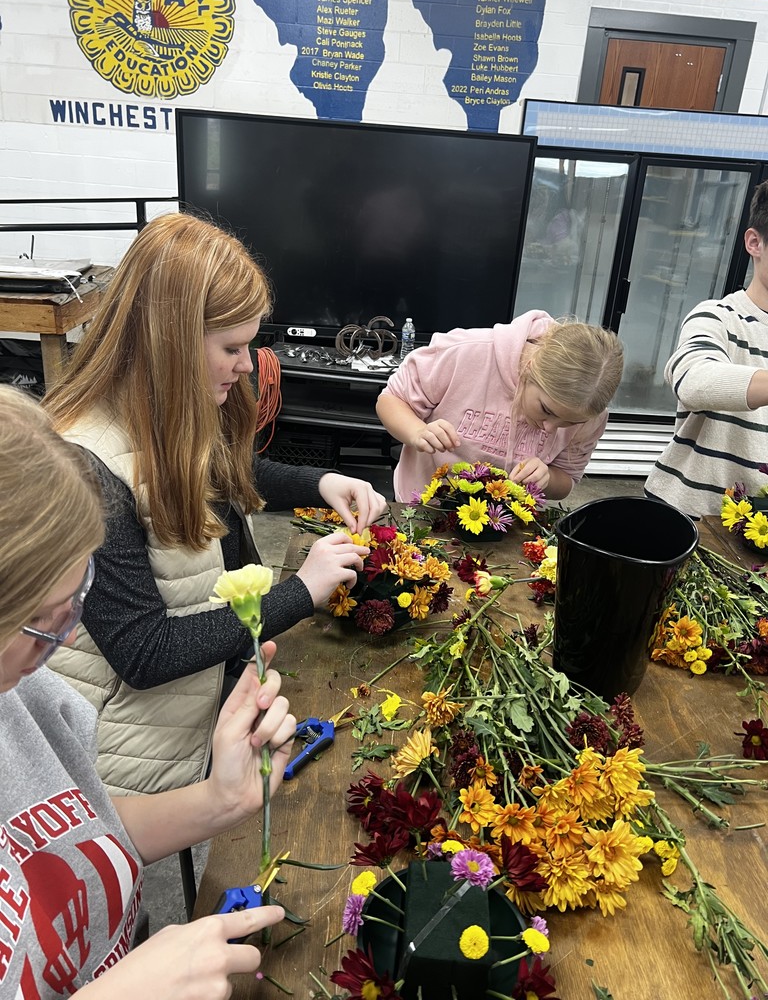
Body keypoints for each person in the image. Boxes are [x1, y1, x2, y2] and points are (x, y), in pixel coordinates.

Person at [42, 212, 385, 796]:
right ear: (169, 342)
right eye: (233, 347)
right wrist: (301, 591)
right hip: (126, 757)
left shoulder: (166, 403)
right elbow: (145, 652)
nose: (247, 364)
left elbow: (218, 470)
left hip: (199, 705)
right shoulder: (85, 471)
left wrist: (320, 481)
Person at [0, 384, 296, 997]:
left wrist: (219, 800)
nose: (73, 637)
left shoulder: (29, 700)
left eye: (77, 601)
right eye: (47, 621)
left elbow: (72, 834)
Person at [376, 311, 624, 502]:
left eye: (570, 423)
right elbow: (391, 400)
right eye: (547, 410)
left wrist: (547, 478)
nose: (550, 429)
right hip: (423, 506)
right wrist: (417, 432)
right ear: (529, 369)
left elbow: (567, 479)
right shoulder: (466, 353)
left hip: (509, 524)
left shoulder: (590, 409)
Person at [645, 179, 768, 519]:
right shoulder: (718, 317)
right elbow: (693, 380)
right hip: (688, 516)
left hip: (757, 536)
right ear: (755, 242)